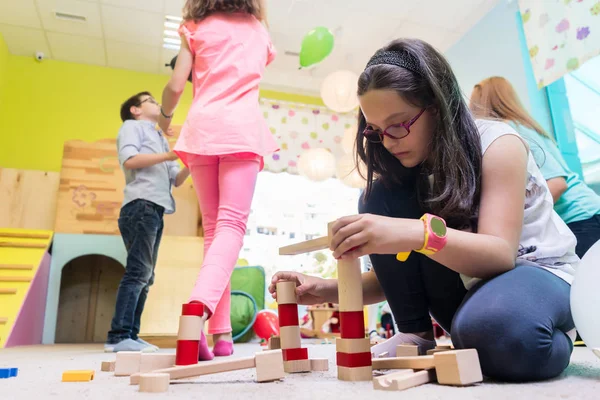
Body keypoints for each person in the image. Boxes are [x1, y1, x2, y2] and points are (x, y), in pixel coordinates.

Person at [269, 39, 579, 382]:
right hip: (476, 290)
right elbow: (400, 279)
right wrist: (324, 289)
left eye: (399, 124)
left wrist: (416, 233)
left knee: (499, 332)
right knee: (376, 198)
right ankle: (414, 334)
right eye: (376, 130)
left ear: (436, 105)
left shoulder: (498, 144)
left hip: (538, 272)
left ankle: (559, 331)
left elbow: (500, 255)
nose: (388, 141)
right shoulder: (404, 174)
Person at [157, 0, 278, 360]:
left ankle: (222, 335)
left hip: (202, 130)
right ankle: (199, 309)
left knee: (215, 232)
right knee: (230, 227)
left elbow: (177, 85)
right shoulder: (260, 32)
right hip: (241, 130)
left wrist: (164, 118)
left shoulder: (194, 26)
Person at [470, 76, 600, 258]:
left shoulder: (509, 131)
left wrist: (512, 219)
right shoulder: (524, 126)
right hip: (588, 211)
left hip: (580, 216)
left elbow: (557, 183)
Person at [105, 92, 190, 352]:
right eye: (150, 101)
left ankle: (129, 333)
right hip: (140, 205)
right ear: (135, 110)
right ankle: (118, 337)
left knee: (146, 275)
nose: (156, 103)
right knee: (138, 272)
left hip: (155, 208)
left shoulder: (159, 138)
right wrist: (169, 156)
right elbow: (130, 160)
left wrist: (193, 159)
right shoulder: (131, 127)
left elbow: (176, 179)